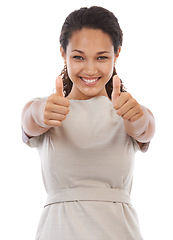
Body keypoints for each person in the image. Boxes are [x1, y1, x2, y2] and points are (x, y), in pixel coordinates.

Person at [21, 6, 155, 240]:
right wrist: (42, 112)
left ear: (117, 54)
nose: (90, 69)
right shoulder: (47, 109)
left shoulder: (127, 111)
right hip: (59, 232)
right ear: (63, 53)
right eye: (78, 57)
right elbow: (30, 119)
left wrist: (137, 118)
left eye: (102, 57)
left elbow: (145, 128)